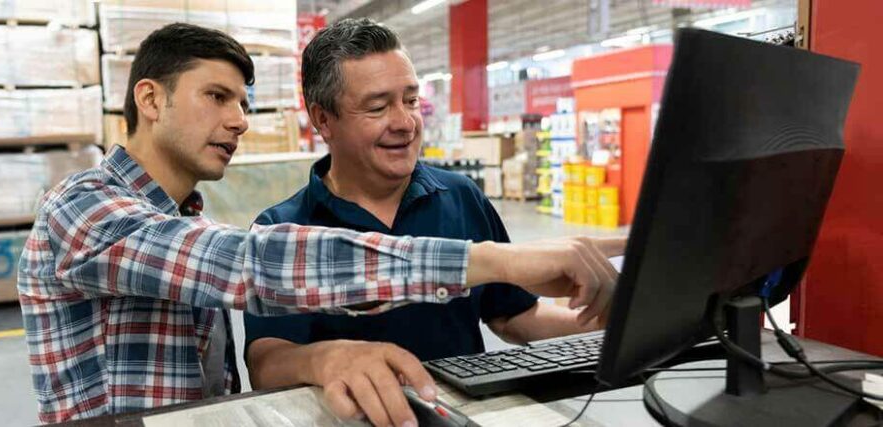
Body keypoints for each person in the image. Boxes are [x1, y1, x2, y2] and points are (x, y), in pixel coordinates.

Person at [18, 23, 620, 424]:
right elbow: (258, 265)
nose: (240, 121)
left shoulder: (179, 218)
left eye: (243, 104)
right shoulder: (84, 210)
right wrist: (498, 259)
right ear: (150, 100)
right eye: (217, 97)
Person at [244, 18, 624, 427]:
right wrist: (325, 359)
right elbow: (267, 361)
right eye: (377, 107)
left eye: (410, 101)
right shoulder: (283, 229)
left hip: (462, 417)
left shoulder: (459, 196)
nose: (405, 123)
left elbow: (511, 316)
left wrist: (600, 323)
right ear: (323, 120)